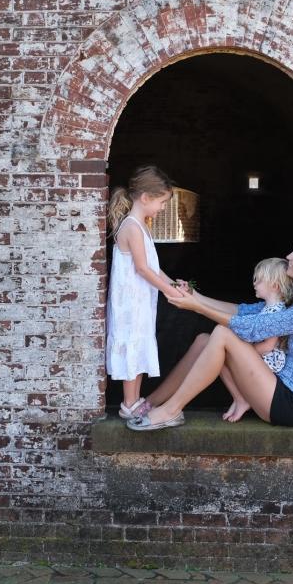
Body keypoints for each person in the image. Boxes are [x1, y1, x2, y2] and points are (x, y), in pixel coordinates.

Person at [127, 232, 293, 430]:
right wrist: (195, 296)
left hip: (291, 404)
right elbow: (242, 311)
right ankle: (150, 403)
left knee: (222, 334)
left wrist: (198, 307)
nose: (288, 256)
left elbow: (252, 328)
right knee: (205, 339)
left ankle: (171, 410)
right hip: (274, 388)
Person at [106, 165, 188, 420]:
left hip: (140, 301)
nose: (162, 208)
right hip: (130, 303)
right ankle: (129, 404)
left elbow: (154, 268)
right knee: (132, 346)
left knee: (139, 346)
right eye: (162, 202)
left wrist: (174, 286)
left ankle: (135, 399)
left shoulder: (141, 226)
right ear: (145, 198)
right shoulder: (131, 226)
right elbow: (142, 269)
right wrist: (167, 291)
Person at [218, 257, 293, 423]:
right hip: (261, 358)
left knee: (224, 356)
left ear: (274, 286)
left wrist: (244, 354)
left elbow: (269, 345)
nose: (254, 283)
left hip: (268, 363)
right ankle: (240, 398)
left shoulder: (277, 312)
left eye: (259, 280)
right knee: (219, 357)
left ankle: (242, 399)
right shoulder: (267, 308)